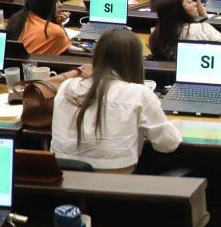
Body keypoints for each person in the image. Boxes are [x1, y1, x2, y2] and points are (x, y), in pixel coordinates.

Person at [53, 30, 182, 172]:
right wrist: (177, 125)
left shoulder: (66, 86)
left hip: (64, 175)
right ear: (135, 60)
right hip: (115, 177)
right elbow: (167, 144)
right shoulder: (140, 93)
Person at [148, 0, 221, 60]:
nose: (195, 4)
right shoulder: (204, 29)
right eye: (189, 2)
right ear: (178, 10)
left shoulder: (156, 37)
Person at [6, 0, 72, 56]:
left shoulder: (17, 17)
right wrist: (59, 24)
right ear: (44, 4)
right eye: (56, 1)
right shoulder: (55, 31)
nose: (61, 4)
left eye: (60, 0)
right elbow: (66, 41)